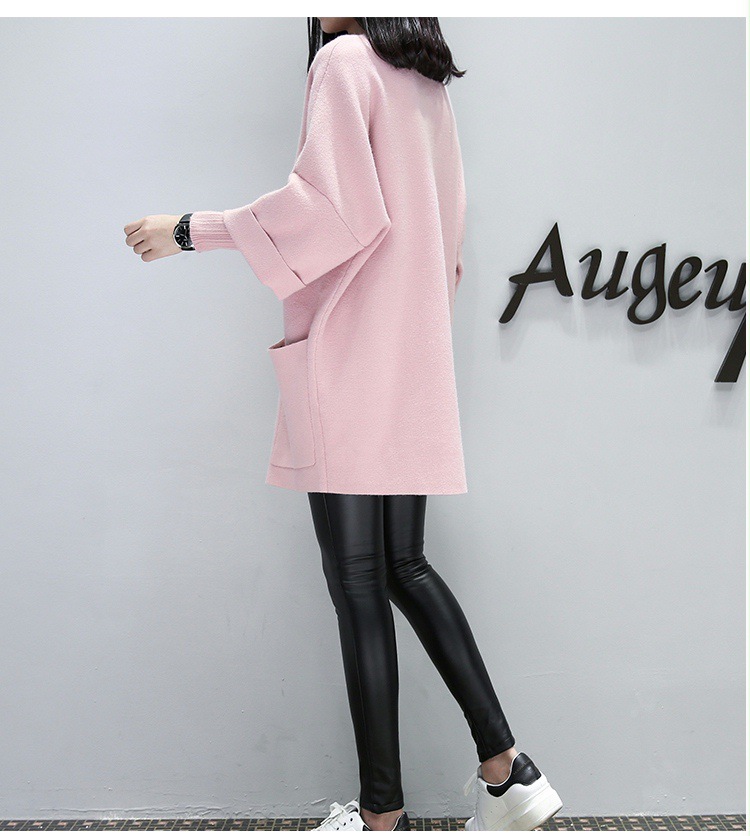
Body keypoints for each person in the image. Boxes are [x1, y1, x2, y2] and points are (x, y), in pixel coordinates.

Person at [123, 16, 563, 832]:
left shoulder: (345, 63)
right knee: (403, 565)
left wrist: (188, 230)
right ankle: (509, 769)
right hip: (412, 361)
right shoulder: (425, 84)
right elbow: (447, 239)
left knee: (360, 582)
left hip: (354, 358)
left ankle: (380, 814)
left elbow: (328, 211)